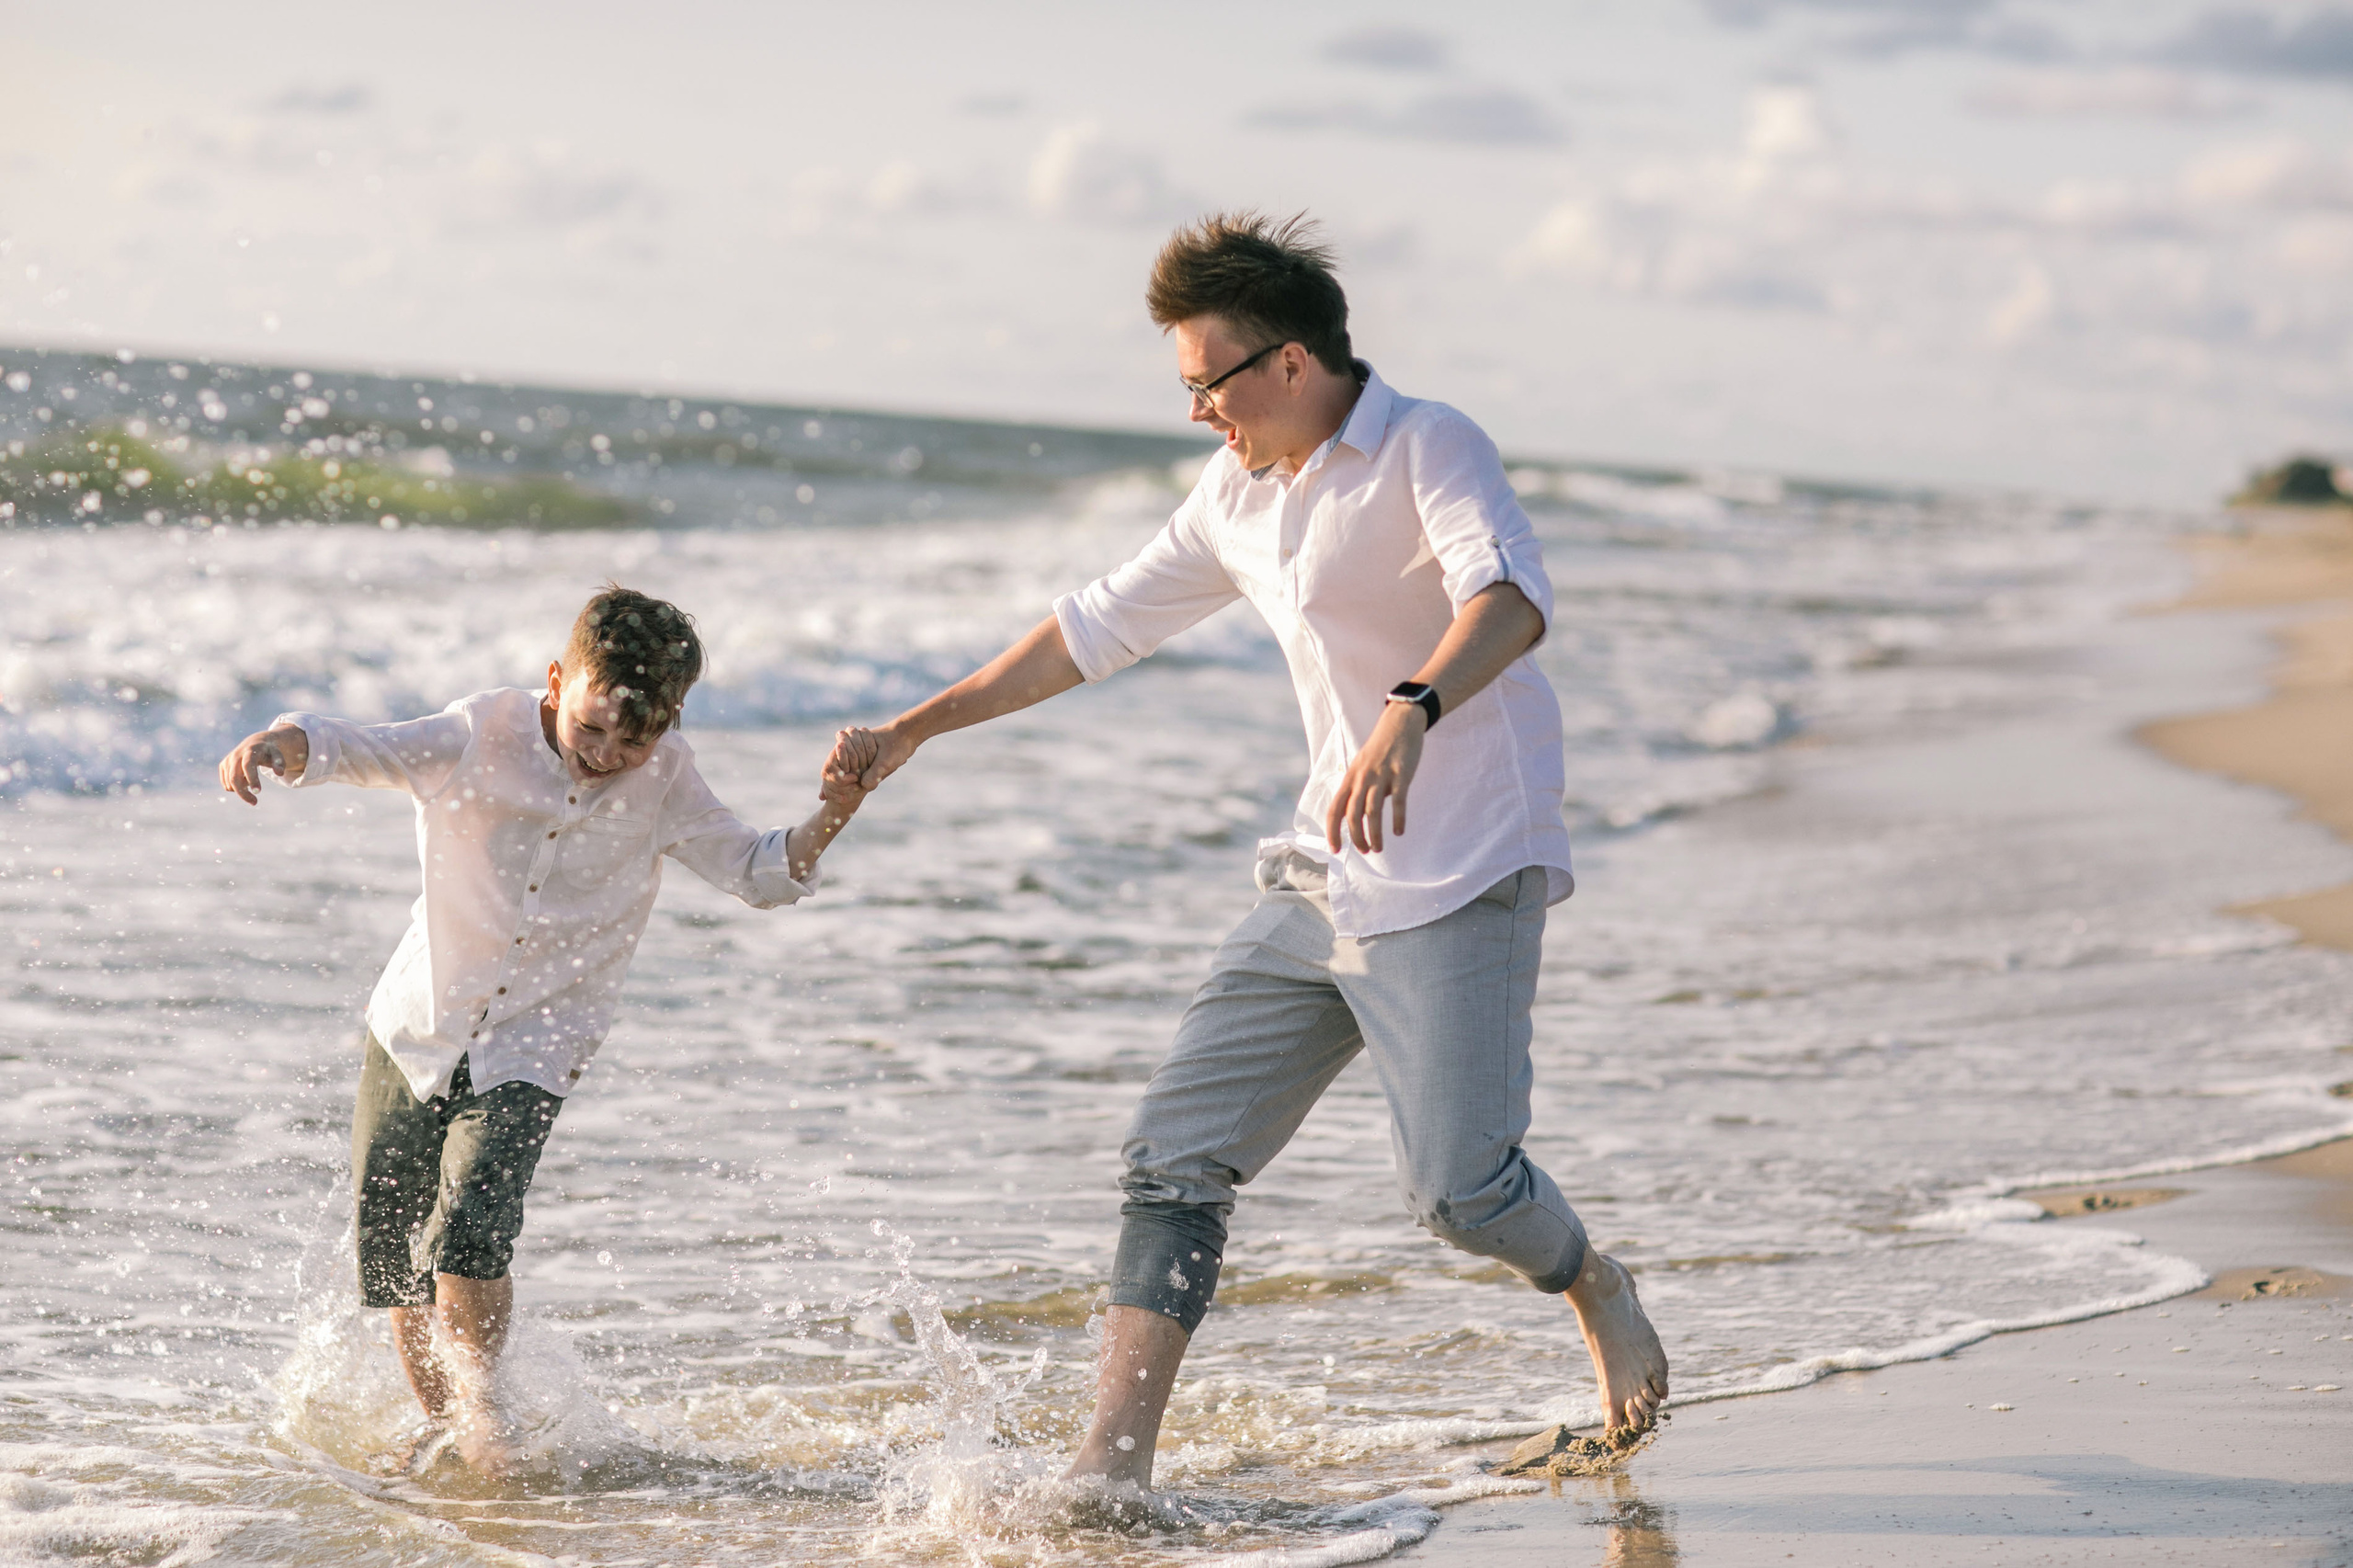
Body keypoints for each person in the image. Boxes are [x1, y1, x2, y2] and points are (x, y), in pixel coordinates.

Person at [830, 212, 1668, 1494]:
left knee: (1460, 1192)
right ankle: (1110, 1468)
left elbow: (1508, 598)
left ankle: (1595, 1281)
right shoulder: (1236, 495)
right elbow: (1086, 631)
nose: (1195, 413)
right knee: (1172, 1153)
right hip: (1324, 873)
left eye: (1206, 382)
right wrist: (915, 727)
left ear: (1287, 360)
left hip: (1460, 866)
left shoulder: (1427, 443)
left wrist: (1412, 708)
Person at [218, 585, 876, 1478]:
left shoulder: (667, 778)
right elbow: (360, 747)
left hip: (538, 1040)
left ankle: (485, 1421)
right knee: (401, 1260)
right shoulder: (477, 732)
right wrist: (282, 743)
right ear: (558, 681)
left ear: (671, 721)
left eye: (633, 741)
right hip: (416, 1021)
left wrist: (835, 808)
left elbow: (758, 872)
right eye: (591, 727)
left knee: (468, 1231)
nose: (606, 755)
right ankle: (449, 1427)